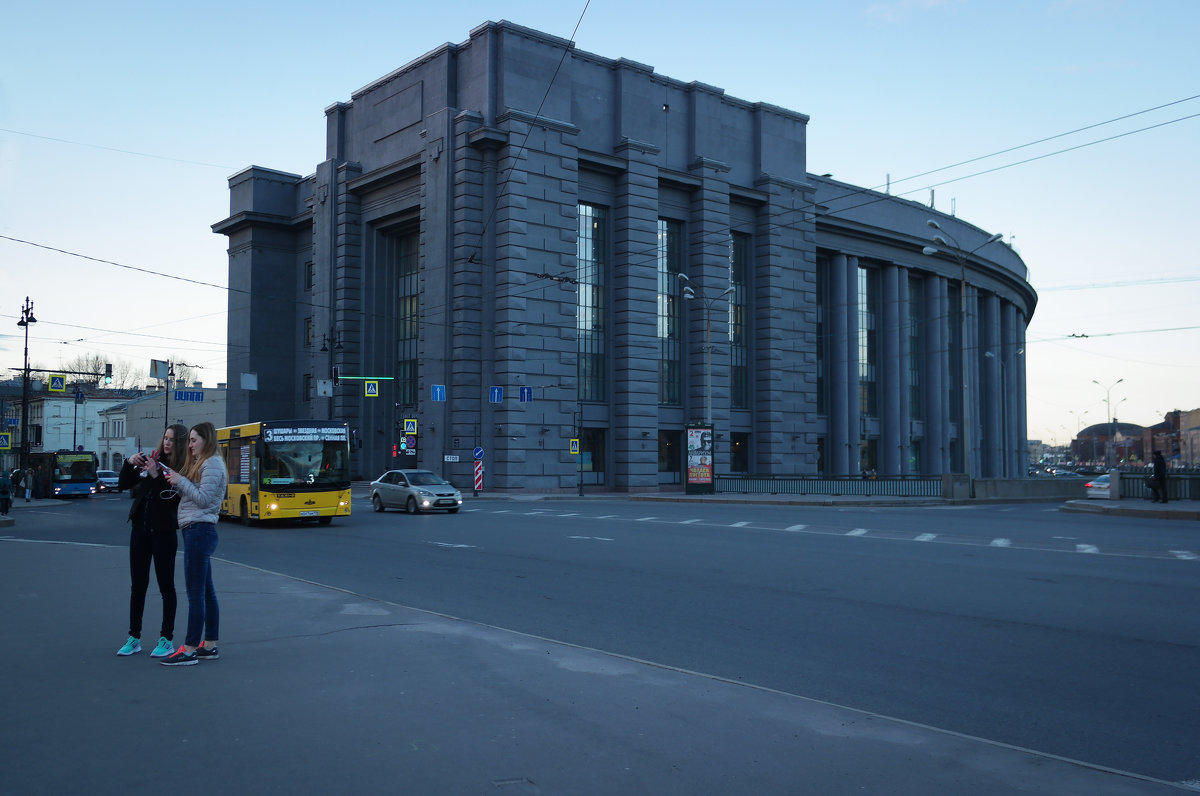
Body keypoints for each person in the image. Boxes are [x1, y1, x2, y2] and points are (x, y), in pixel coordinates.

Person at [115, 424, 188, 658]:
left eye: (172, 440)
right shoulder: (152, 460)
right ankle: (133, 637)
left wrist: (157, 477)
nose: (167, 443)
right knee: (138, 585)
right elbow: (123, 485)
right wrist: (130, 463)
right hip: (140, 530)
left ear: (180, 444)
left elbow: (169, 501)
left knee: (166, 586)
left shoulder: (180, 469)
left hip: (164, 532)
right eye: (165, 438)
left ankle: (166, 638)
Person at [160, 422, 228, 666]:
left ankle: (189, 648)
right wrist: (172, 480)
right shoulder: (207, 464)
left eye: (193, 440)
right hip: (198, 529)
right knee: (206, 592)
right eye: (189, 440)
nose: (189, 446)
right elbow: (195, 496)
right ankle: (209, 644)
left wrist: (179, 480)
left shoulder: (211, 464)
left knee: (196, 593)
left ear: (206, 440)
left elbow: (203, 499)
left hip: (199, 530)